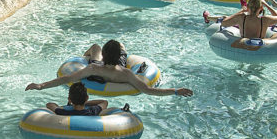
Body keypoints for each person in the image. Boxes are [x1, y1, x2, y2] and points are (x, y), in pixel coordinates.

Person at [25, 40, 193, 97]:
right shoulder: (126, 73)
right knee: (120, 44)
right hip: (116, 69)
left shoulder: (93, 68)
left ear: (104, 56)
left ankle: (85, 55)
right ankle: (117, 48)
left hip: (101, 68)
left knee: (95, 46)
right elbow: (148, 90)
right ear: (121, 56)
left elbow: (67, 78)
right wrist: (175, 90)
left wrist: (41, 85)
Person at [203, 0, 277, 48]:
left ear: (248, 7)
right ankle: (208, 17)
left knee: (225, 18)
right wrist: (266, 5)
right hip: (260, 49)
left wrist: (241, 11)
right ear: (261, 8)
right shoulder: (265, 20)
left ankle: (208, 17)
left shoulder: (241, 17)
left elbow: (224, 23)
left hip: (243, 46)